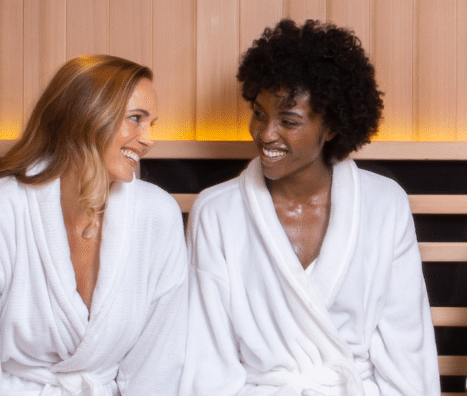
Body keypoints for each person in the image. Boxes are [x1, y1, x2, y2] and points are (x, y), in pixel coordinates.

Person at [181, 19, 440, 396]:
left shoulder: (384, 205)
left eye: (288, 121)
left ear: (332, 126)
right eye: (258, 113)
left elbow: (405, 351)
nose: (266, 134)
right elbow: (208, 359)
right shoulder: (217, 212)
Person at [0, 54, 187, 395]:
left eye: (151, 124)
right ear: (87, 116)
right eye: (136, 119)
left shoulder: (158, 216)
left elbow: (158, 364)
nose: (148, 139)